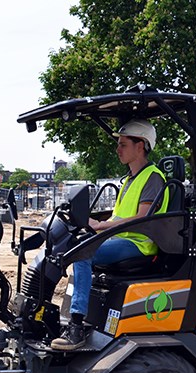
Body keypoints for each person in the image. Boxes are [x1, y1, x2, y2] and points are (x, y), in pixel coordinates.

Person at [51, 119, 168, 351]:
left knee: (84, 252)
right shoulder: (129, 180)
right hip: (120, 239)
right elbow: (118, 217)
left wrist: (102, 228)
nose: (118, 149)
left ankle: (77, 326)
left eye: (123, 144)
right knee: (72, 244)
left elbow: (142, 219)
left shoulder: (153, 178)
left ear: (141, 145)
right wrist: (96, 224)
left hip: (138, 244)